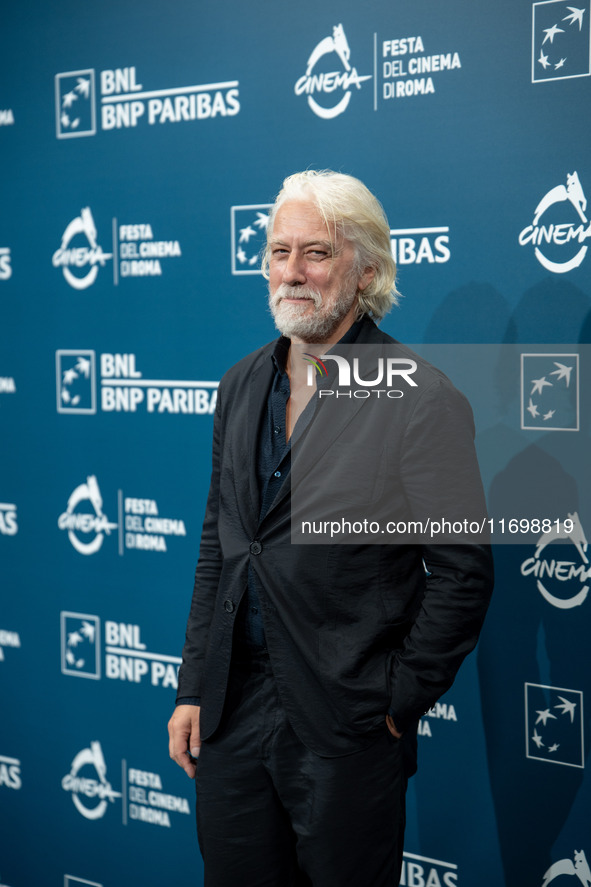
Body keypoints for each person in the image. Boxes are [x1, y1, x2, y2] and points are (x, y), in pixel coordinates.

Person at [168, 170, 494, 886]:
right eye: (279, 251)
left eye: (315, 252)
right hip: (230, 713)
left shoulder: (418, 393)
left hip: (344, 721)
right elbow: (219, 547)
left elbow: (464, 571)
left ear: (365, 269)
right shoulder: (240, 383)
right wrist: (194, 685)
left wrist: (395, 700)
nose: (292, 271)